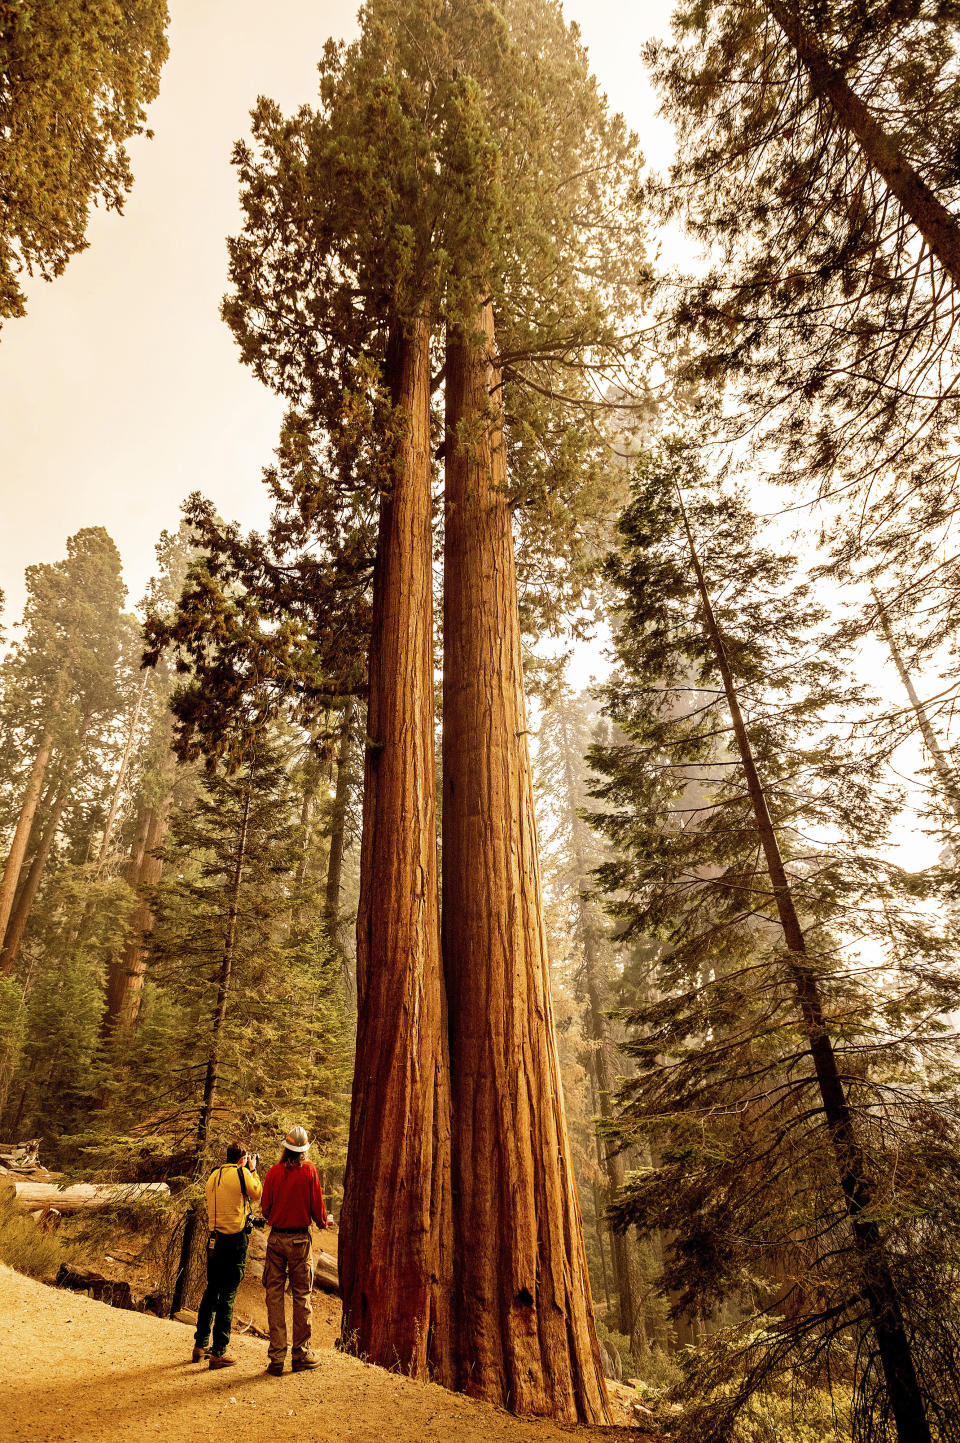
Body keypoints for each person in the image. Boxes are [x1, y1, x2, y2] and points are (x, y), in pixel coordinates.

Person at [261, 1124, 331, 1375]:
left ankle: (277, 1358)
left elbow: (265, 1210)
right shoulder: (310, 1172)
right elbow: (317, 1208)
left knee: (274, 1296)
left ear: (285, 1147)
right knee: (301, 1296)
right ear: (304, 1150)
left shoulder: (273, 1172)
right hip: (300, 1242)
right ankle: (300, 1354)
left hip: (276, 1241)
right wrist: (323, 1221)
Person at [192, 1142, 263, 1370]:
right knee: (229, 1293)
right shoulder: (241, 1172)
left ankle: (200, 1345)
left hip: (214, 1239)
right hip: (234, 1241)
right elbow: (257, 1193)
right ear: (242, 1159)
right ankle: (219, 1352)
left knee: (211, 1290)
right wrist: (252, 1169)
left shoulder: (214, 1174)